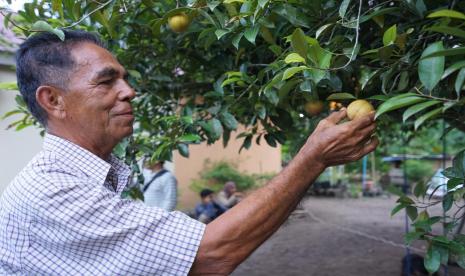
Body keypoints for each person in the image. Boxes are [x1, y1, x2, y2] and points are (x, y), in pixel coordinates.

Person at [0, 30, 378, 275]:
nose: (129, 91)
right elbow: (210, 254)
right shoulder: (53, 192)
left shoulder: (76, 178)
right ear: (54, 100)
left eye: (125, 77)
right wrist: (312, 157)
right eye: (106, 80)